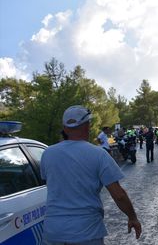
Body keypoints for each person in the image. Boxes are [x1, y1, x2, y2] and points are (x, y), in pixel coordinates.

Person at [40, 105, 141, 244]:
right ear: (87, 126)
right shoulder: (99, 154)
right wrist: (132, 217)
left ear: (65, 128)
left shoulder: (47, 154)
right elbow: (119, 195)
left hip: (53, 232)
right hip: (86, 233)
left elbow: (52, 185)